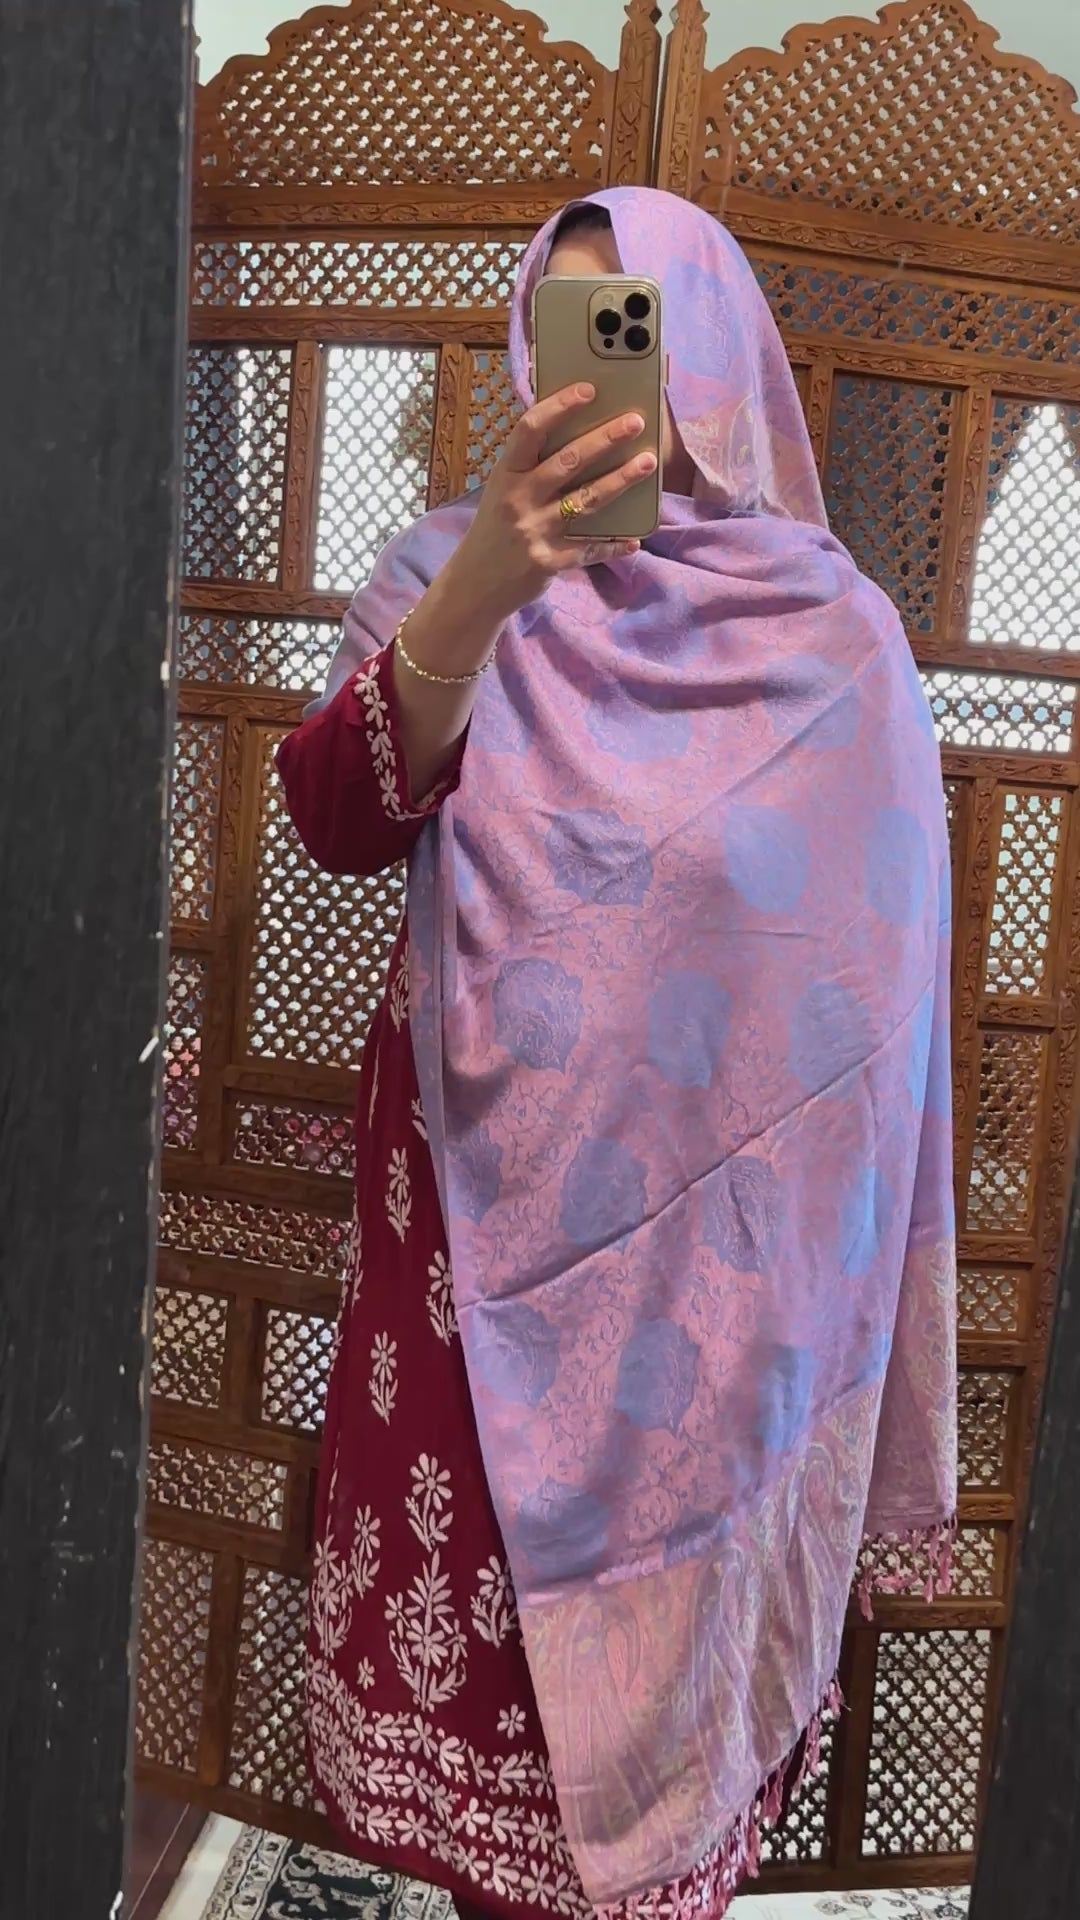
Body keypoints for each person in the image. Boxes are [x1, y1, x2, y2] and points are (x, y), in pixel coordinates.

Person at [277, 187, 957, 1920]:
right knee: (495, 1777)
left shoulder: (832, 640)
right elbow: (337, 817)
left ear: (714, 356)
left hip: (718, 1332)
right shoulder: (443, 572)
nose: (595, 371)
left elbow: (874, 1022)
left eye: (633, 326)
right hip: (478, 1265)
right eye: (567, 329)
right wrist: (483, 595)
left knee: (663, 1770)